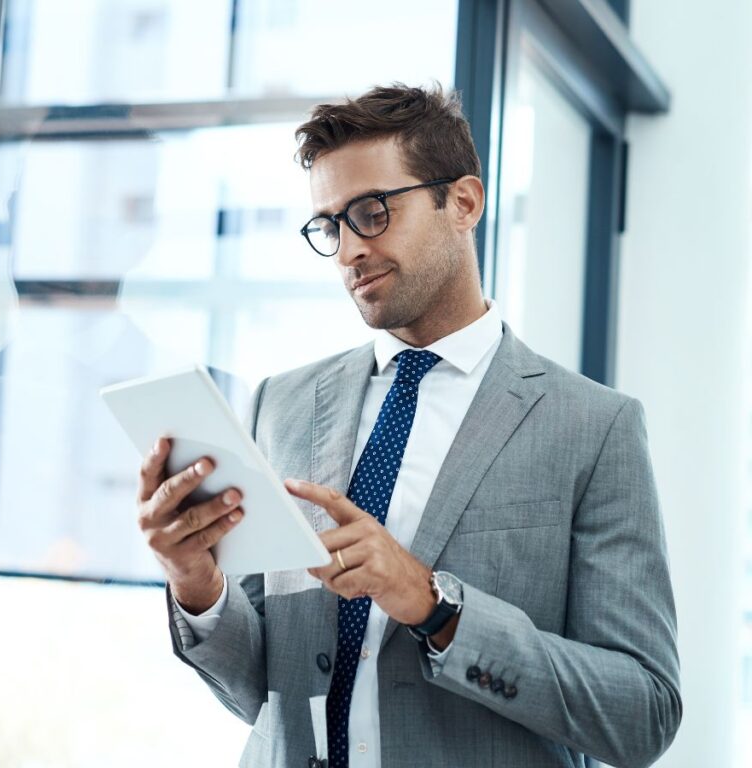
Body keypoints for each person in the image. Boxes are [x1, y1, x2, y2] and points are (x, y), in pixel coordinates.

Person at [135, 83, 681, 768]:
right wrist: (195, 584)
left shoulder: (595, 428)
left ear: (464, 203)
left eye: (372, 213)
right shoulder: (285, 402)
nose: (347, 253)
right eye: (331, 226)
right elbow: (263, 688)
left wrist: (434, 605)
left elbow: (642, 713)